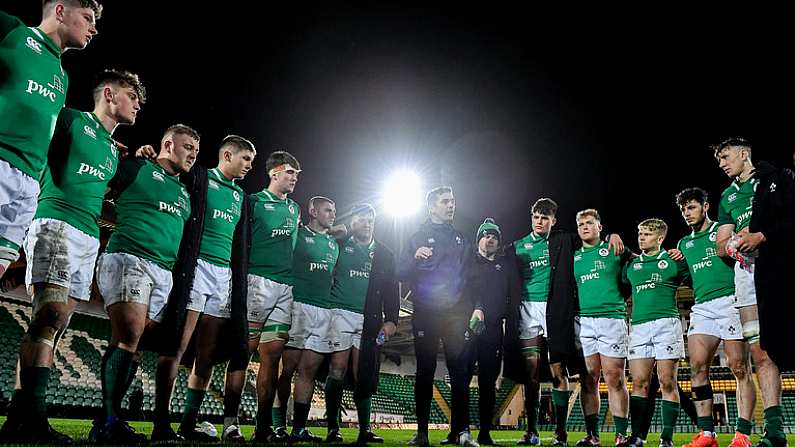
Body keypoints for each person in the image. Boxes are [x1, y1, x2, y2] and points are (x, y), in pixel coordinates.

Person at [0, 69, 144, 444]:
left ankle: (22, 413)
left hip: (88, 234)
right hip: (56, 220)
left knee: (57, 323)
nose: (138, 104)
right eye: (133, 96)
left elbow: (105, 189)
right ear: (110, 94)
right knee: (47, 314)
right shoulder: (70, 120)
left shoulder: (114, 150)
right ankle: (30, 415)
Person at [94, 124, 199, 443]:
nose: (193, 154)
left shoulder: (184, 192)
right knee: (128, 335)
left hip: (162, 271)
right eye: (187, 147)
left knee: (135, 343)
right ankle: (109, 420)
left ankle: (109, 418)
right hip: (128, 257)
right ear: (167, 144)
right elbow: (99, 186)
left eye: (196, 149)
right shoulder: (138, 168)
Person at [150, 135, 255, 441]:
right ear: (226, 155)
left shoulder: (241, 197)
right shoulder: (198, 177)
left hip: (223, 276)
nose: (249, 165)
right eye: (245, 158)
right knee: (177, 345)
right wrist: (148, 153)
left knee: (206, 355)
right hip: (196, 269)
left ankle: (188, 423)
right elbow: (166, 173)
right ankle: (161, 422)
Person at [504, 198, 623, 447]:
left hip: (556, 311)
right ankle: (532, 432)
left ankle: (561, 433)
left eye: (545, 218)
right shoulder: (517, 246)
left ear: (553, 221)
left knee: (559, 371)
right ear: (531, 218)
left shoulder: (564, 240)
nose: (540, 221)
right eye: (536, 216)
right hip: (527, 309)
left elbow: (592, 238)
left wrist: (612, 234)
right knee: (531, 374)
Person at [0, 0, 100, 280]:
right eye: (87, 17)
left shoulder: (62, 76)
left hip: (30, 182)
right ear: (60, 11)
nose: (93, 28)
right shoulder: (14, 33)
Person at [222, 151, 302, 442]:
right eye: (290, 172)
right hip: (257, 282)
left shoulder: (295, 209)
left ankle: (263, 427)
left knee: (272, 358)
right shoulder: (253, 202)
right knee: (243, 352)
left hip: (285, 287)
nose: (295, 178)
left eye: (297, 173)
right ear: (274, 173)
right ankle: (231, 423)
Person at [714, 138, 787, 447]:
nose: (721, 163)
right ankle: (775, 431)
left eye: (726, 156)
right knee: (760, 353)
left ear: (744, 154)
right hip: (746, 276)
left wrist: (761, 236)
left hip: (779, 269)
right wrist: (734, 244)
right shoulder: (728, 196)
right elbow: (720, 244)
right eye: (718, 160)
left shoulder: (774, 179)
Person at [675, 187, 755, 447]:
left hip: (731, 300)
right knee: (697, 367)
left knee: (739, 367)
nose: (687, 213)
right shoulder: (684, 244)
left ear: (705, 206)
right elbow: (685, 275)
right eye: (684, 209)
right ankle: (707, 434)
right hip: (702, 307)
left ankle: (742, 434)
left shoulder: (722, 230)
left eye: (692, 207)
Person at [398, 186, 477, 447]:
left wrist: (471, 308)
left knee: (460, 371)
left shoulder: (461, 239)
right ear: (432, 207)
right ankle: (421, 433)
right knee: (425, 370)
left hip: (455, 315)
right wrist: (414, 257)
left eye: (453, 201)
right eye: (445, 202)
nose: (451, 205)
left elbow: (470, 278)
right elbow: (400, 271)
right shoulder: (417, 237)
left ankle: (461, 433)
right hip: (426, 313)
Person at [323, 203, 399, 444]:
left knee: (362, 373)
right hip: (339, 313)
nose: (367, 223)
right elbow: (318, 241)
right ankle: (333, 428)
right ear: (352, 222)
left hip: (370, 319)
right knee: (336, 368)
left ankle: (364, 430)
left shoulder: (386, 254)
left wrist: (391, 321)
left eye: (371, 219)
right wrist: (333, 230)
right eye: (362, 219)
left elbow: (392, 292)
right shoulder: (340, 244)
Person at [274, 196, 339, 442]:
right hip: (298, 305)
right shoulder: (297, 235)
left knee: (308, 372)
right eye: (328, 210)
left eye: (334, 211)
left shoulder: (334, 244)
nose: (332, 214)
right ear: (312, 211)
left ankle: (299, 428)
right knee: (287, 369)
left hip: (323, 311)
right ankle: (278, 424)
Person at [623, 218, 689, 447]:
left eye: (647, 234)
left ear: (660, 238)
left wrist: (683, 256)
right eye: (640, 233)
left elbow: (693, 281)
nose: (641, 237)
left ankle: (666, 437)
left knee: (667, 381)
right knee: (639, 382)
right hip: (639, 326)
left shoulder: (674, 261)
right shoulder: (631, 265)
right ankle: (638, 436)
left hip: (666, 323)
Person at [572, 209, 633, 447]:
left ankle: (620, 435)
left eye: (589, 223)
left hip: (612, 319)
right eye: (581, 224)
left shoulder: (615, 250)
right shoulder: (574, 256)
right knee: (588, 380)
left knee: (614, 378)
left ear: (600, 226)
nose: (585, 227)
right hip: (584, 322)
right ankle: (592, 435)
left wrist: (617, 237)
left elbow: (642, 263)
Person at [464, 218, 515, 446]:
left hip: (493, 331)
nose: (490, 238)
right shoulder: (466, 262)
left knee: (488, 383)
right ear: (478, 240)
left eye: (494, 236)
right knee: (461, 379)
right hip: (466, 328)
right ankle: (459, 430)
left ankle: (485, 432)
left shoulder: (505, 266)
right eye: (486, 235)